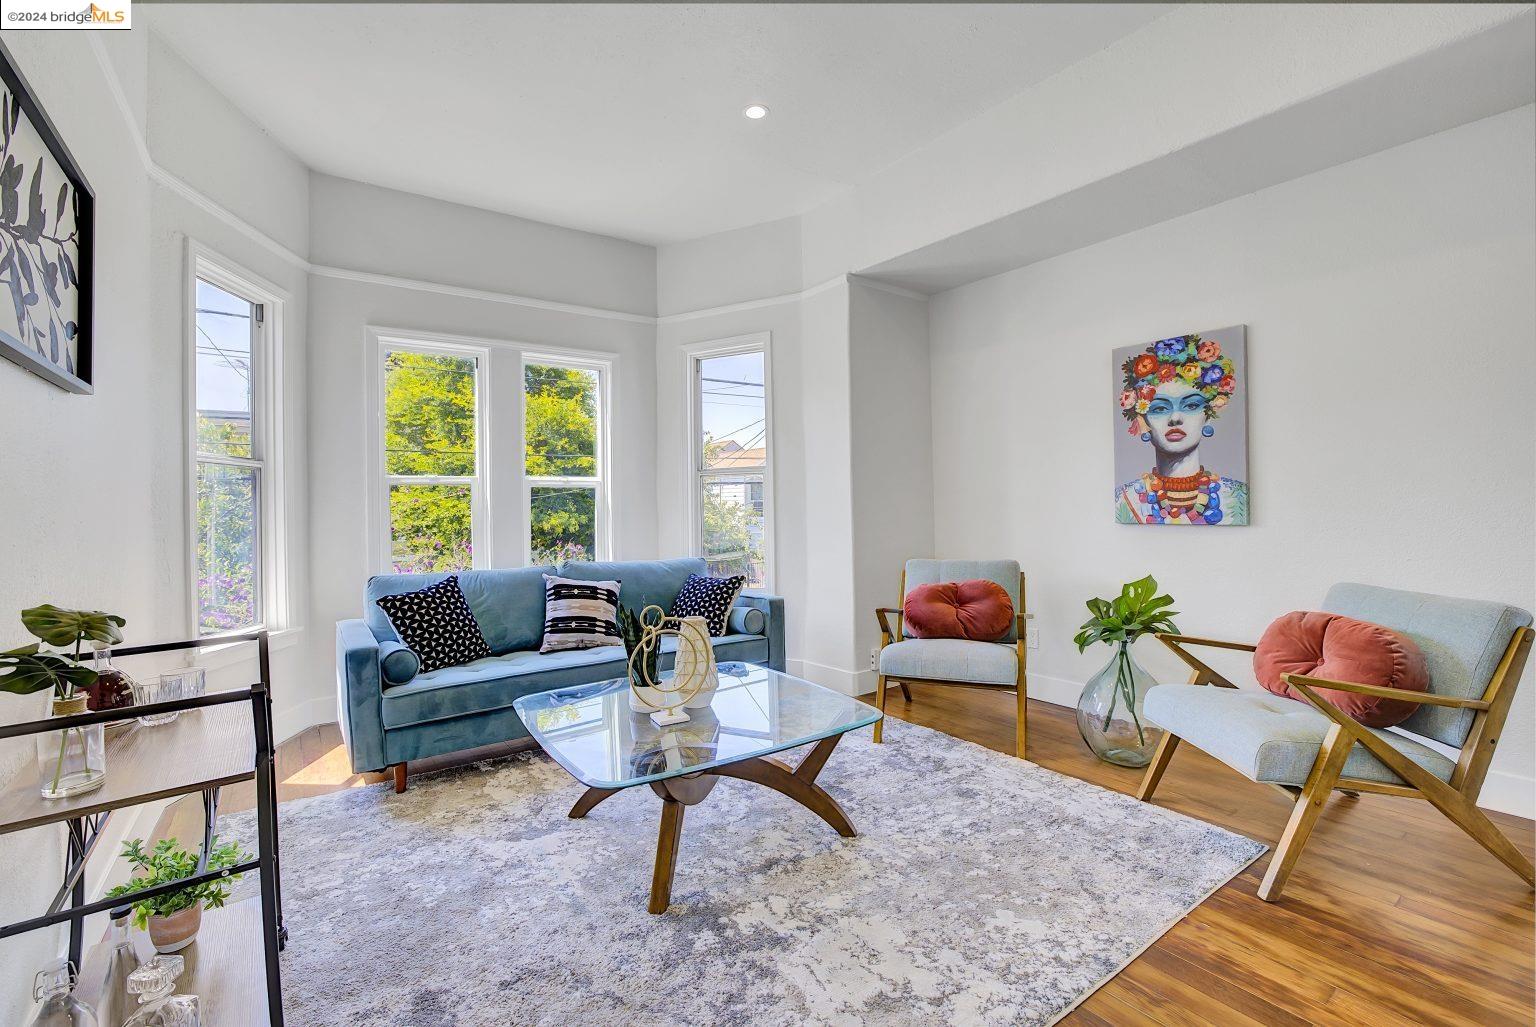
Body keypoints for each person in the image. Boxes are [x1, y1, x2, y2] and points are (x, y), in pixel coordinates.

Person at [1115, 334, 1248, 525]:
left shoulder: (1238, 497)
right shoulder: (1124, 501)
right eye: (1160, 408)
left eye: (1191, 406)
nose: (1175, 418)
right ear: (1143, 420)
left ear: (1208, 416)